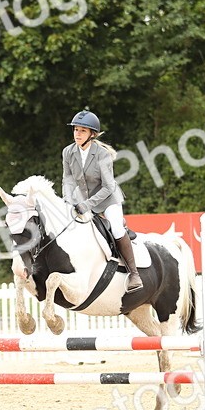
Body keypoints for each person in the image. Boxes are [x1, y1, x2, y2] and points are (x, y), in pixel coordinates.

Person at [61, 108, 142, 291]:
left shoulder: (102, 154)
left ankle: (134, 273)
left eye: (82, 130)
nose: (77, 134)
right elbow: (67, 179)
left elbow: (108, 187)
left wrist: (86, 205)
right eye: (75, 130)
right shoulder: (67, 152)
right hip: (83, 197)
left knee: (116, 228)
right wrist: (67, 200)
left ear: (92, 134)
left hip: (107, 200)